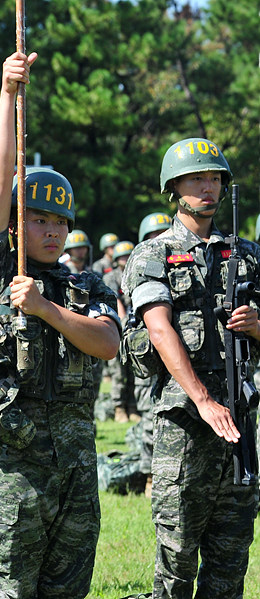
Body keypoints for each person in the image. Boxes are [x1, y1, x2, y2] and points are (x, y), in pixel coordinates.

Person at [0, 52, 120, 598]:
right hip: (13, 476)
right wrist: (6, 93)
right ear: (15, 225)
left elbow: (107, 344)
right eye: (38, 219)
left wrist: (46, 310)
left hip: (75, 473)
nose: (51, 232)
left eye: (59, 222)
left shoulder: (86, 286)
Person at [122, 137, 260, 599]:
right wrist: (202, 399)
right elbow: (159, 330)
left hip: (241, 420)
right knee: (177, 556)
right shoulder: (152, 254)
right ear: (173, 187)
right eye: (196, 178)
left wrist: (257, 327)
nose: (208, 187)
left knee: (230, 557)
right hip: (184, 423)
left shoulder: (247, 254)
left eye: (215, 178)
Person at [131, 211, 172, 497]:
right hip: (151, 359)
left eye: (162, 234)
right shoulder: (145, 264)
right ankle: (148, 474)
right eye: (152, 237)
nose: (158, 240)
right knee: (148, 418)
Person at [103, 241, 139, 424]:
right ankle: (118, 408)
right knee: (118, 372)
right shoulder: (112, 276)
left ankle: (132, 407)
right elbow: (114, 300)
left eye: (128, 255)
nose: (126, 259)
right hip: (119, 327)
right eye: (122, 256)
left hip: (136, 328)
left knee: (135, 371)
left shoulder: (137, 272)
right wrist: (124, 321)